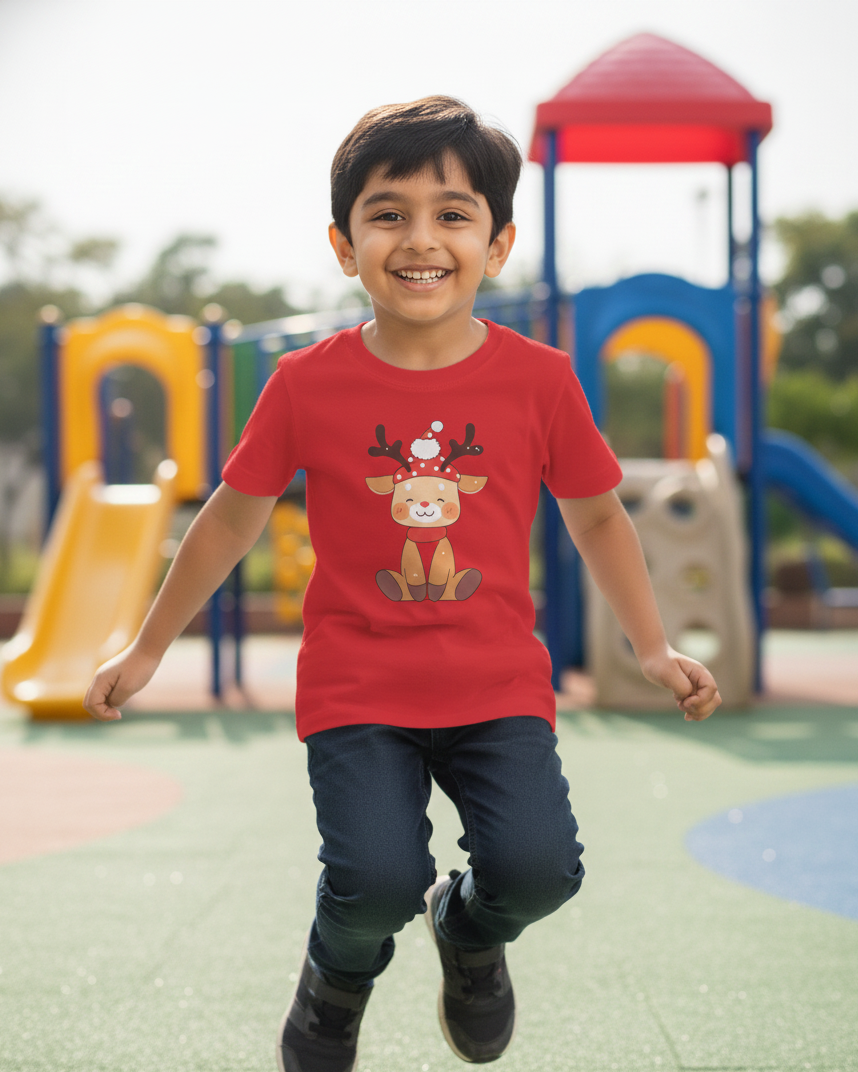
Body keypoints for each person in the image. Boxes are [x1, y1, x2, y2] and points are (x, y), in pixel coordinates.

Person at [84, 96, 721, 1072]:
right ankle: (334, 984)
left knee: (539, 871)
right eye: (388, 214)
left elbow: (597, 516)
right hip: (358, 689)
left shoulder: (542, 381)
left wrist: (652, 645)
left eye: (452, 214)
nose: (421, 238)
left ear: (497, 245)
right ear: (345, 246)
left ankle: (466, 932)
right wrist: (147, 647)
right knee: (374, 881)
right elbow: (231, 517)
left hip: (496, 684)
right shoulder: (305, 383)